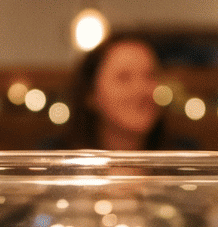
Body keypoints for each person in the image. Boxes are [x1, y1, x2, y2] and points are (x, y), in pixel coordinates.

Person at [47, 34, 197, 150]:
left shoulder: (186, 158)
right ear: (91, 94)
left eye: (150, 75)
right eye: (124, 77)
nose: (142, 89)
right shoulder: (56, 160)